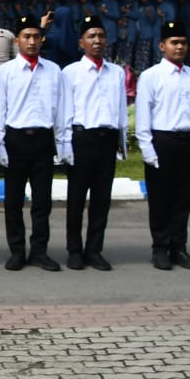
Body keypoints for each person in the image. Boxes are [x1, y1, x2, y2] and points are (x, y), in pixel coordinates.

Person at [0, 14, 69, 272]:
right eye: (27, 37)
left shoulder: (54, 71)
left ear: (42, 39)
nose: (32, 41)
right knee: (13, 201)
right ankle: (16, 251)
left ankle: (39, 251)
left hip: (43, 140)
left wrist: (62, 144)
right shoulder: (5, 73)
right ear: (17, 40)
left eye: (36, 36)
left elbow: (62, 111)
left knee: (42, 201)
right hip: (16, 140)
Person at [135, 20, 190, 271]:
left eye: (183, 43)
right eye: (174, 43)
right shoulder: (151, 76)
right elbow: (144, 115)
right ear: (162, 46)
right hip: (163, 141)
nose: (179, 47)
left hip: (188, 142)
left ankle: (179, 248)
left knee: (183, 199)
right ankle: (160, 248)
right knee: (160, 200)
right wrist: (147, 149)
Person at [60, 15, 127, 271]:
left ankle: (95, 249)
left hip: (107, 139)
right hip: (81, 139)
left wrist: (122, 141)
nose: (97, 40)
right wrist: (65, 143)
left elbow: (121, 109)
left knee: (102, 199)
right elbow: (65, 110)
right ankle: (74, 250)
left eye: (100, 35)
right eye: (91, 36)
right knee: (76, 199)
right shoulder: (71, 73)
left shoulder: (117, 73)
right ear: (81, 42)